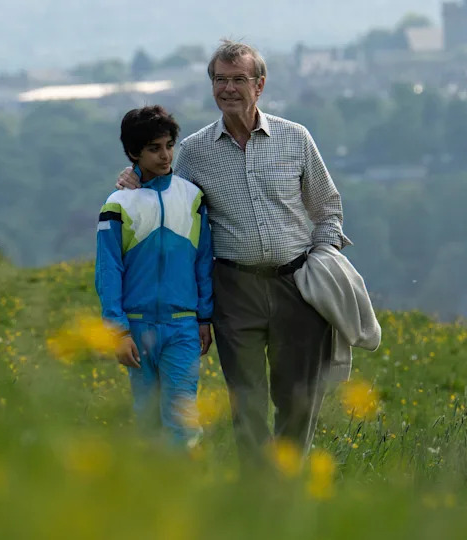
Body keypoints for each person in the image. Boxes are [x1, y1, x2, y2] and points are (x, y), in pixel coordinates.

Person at [115, 40, 350, 464]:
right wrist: (134, 176)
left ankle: (288, 486)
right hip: (234, 289)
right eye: (220, 80)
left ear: (259, 85)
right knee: (246, 401)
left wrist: (324, 259)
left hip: (298, 287)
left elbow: (328, 209)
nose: (228, 89)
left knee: (298, 399)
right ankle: (256, 495)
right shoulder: (195, 151)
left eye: (238, 79)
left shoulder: (296, 139)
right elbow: (170, 194)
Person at [97, 105, 214, 447]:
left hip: (183, 326)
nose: (165, 156)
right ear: (134, 152)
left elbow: (203, 262)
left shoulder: (193, 198)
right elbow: (108, 271)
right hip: (137, 327)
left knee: (182, 419)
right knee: (146, 421)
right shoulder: (117, 204)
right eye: (154, 148)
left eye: (168, 145)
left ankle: (187, 493)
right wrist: (116, 331)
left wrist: (204, 318)